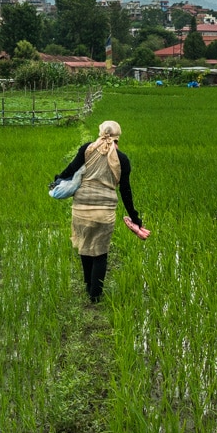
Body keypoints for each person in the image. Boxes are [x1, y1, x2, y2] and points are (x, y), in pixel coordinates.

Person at [53, 119, 143, 303]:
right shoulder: (122, 159)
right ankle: (95, 295)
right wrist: (135, 217)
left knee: (85, 247)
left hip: (81, 208)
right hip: (105, 211)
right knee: (100, 253)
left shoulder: (87, 149)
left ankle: (88, 285)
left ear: (101, 131)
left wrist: (58, 179)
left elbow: (71, 169)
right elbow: (126, 191)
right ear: (118, 137)